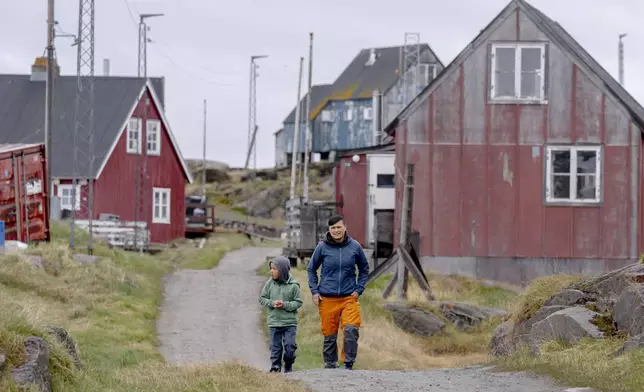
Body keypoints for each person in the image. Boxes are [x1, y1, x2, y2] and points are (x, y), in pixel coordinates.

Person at [306, 214, 370, 370]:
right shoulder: (322, 247)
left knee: (351, 329)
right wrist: (314, 291)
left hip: (349, 297)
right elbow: (311, 269)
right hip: (327, 298)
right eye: (333, 228)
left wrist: (358, 289)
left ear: (345, 227)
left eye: (339, 227)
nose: (336, 230)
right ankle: (330, 364)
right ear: (329, 229)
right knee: (329, 335)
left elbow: (364, 269)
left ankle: (348, 363)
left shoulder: (355, 246)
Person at [259, 255, 303, 373]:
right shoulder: (269, 284)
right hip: (274, 322)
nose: (271, 271)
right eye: (271, 268)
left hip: (289, 323)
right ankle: (276, 366)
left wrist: (285, 305)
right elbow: (262, 298)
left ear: (283, 270)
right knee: (275, 347)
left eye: (274, 269)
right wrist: (272, 303)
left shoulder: (293, 285)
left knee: (289, 347)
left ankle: (288, 365)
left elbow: (298, 302)